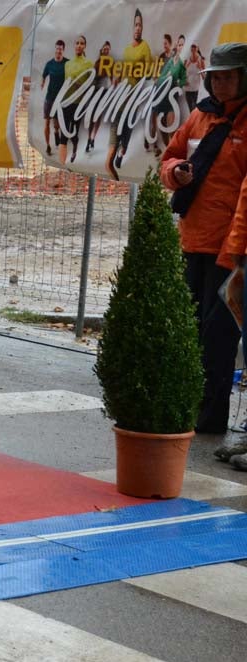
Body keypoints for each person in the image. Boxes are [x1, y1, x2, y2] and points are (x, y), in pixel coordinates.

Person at [161, 42, 247, 435]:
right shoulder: (199, 116)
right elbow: (171, 156)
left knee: (218, 337)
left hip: (228, 252)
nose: (222, 83)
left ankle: (211, 418)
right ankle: (185, 407)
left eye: (229, 76)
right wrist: (176, 171)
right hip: (192, 241)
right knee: (188, 328)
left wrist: (233, 253)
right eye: (217, 76)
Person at [107, 8, 152, 180]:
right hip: (122, 93)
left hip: (134, 94)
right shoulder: (126, 49)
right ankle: (115, 152)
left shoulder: (145, 47)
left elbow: (149, 70)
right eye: (136, 25)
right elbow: (122, 69)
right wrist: (116, 78)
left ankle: (122, 151)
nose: (138, 28)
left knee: (128, 125)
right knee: (118, 123)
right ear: (132, 27)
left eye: (140, 25)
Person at [59, 35, 93, 163]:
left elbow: (90, 86)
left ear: (85, 46)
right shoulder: (67, 64)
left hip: (79, 104)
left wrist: (76, 83)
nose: (79, 45)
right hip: (66, 102)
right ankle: (63, 164)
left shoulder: (88, 64)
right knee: (63, 135)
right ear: (74, 46)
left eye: (82, 43)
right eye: (77, 43)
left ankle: (74, 153)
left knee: (73, 133)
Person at [41, 39, 68, 158]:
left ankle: (56, 133)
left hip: (61, 99)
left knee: (57, 124)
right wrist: (42, 83)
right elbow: (44, 75)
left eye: (60, 49)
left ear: (63, 50)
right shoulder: (49, 64)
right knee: (47, 122)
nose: (58, 51)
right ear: (55, 49)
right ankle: (48, 145)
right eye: (57, 48)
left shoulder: (67, 63)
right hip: (50, 98)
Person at [186, 42, 206, 111]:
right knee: (190, 109)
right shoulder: (187, 60)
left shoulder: (201, 60)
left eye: (195, 47)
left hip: (195, 89)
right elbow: (182, 74)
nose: (193, 48)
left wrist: (200, 68)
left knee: (194, 108)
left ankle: (193, 121)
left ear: (198, 48)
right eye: (192, 47)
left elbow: (204, 77)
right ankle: (192, 121)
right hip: (187, 88)